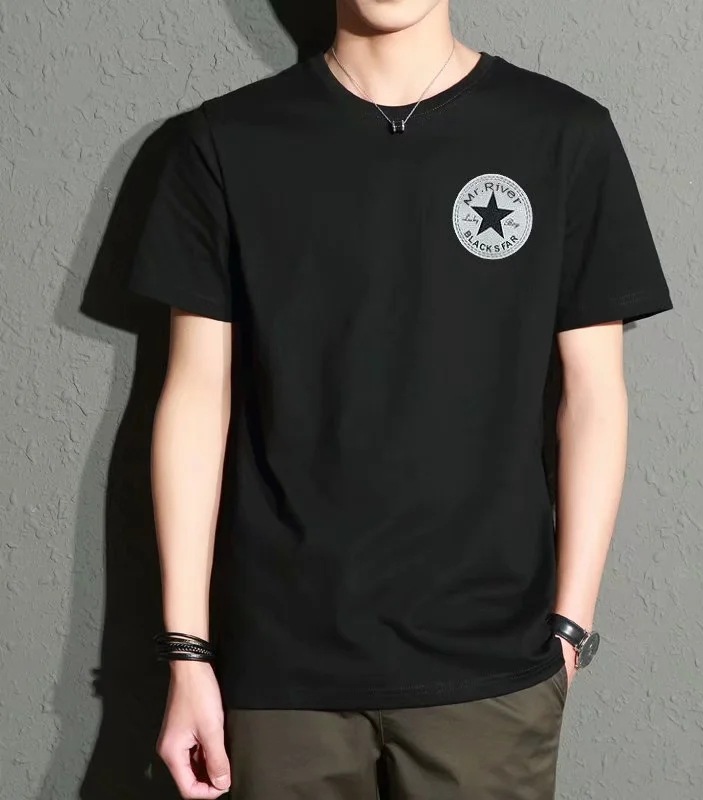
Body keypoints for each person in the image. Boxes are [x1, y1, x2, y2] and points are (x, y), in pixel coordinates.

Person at [127, 1, 674, 797]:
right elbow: (195, 398)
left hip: (491, 670)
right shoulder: (227, 141)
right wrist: (188, 652)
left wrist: (569, 628)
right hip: (280, 675)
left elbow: (594, 395)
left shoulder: (563, 134)